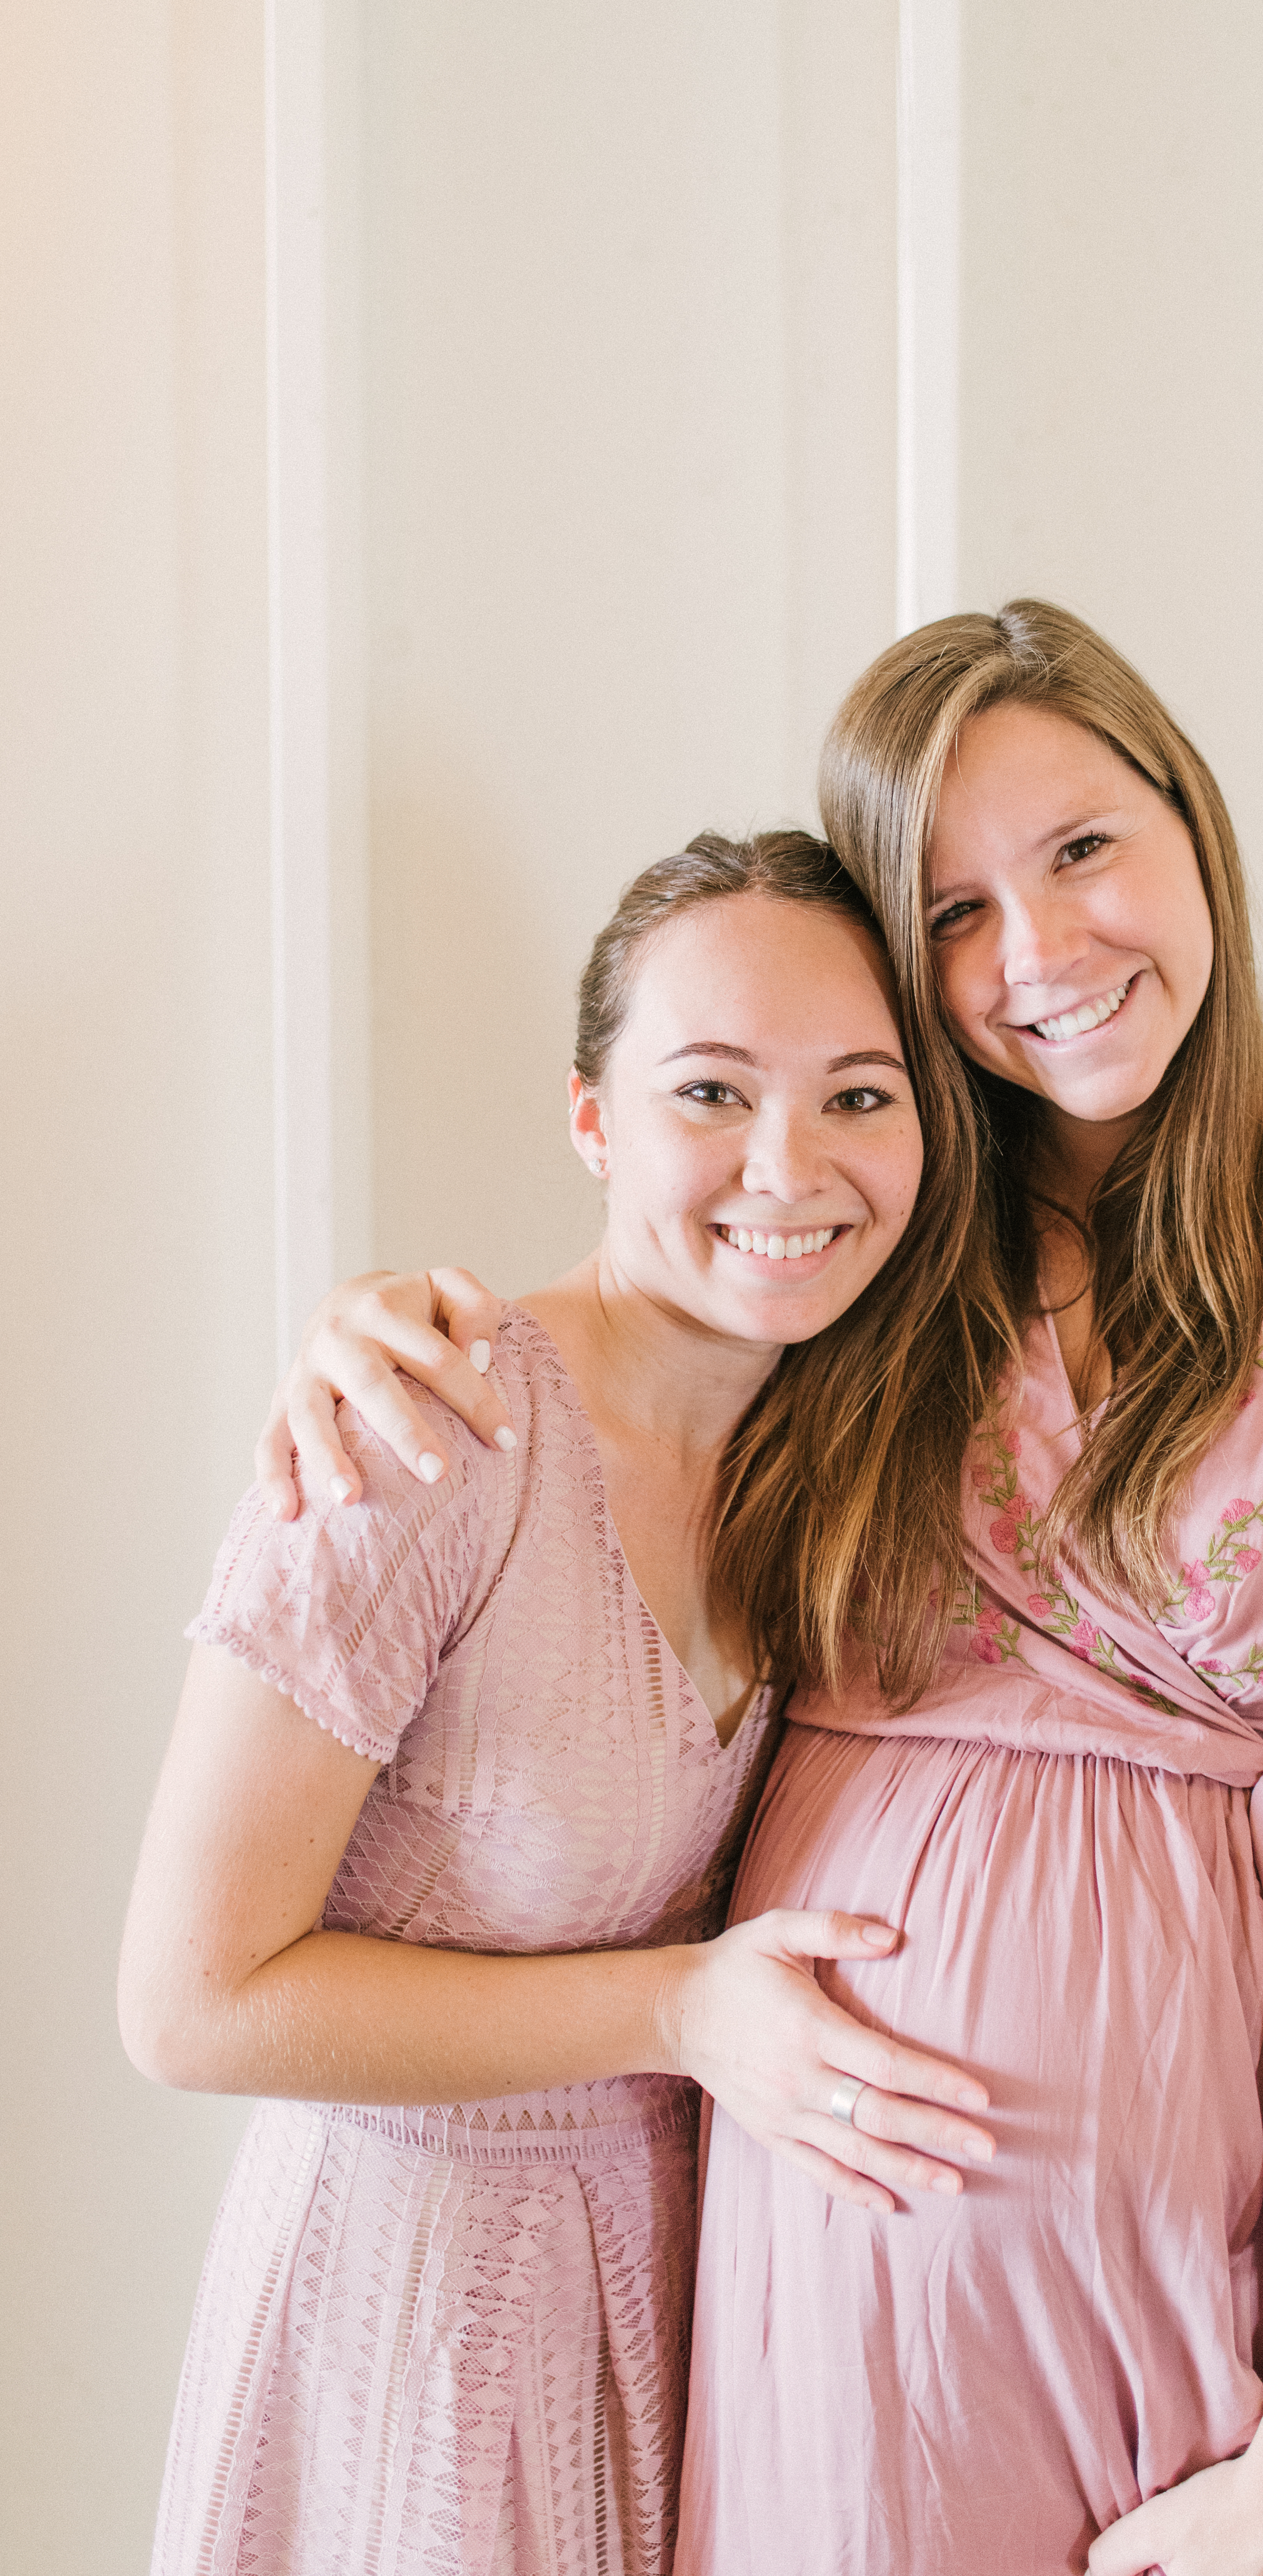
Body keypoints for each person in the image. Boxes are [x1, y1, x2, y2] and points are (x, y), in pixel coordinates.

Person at [274, 605, 1263, 2576]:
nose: (1039, 953)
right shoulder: (870, 1226)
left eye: (1084, 848)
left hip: (1253, 2281)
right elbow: (628, 1315)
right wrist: (378, 1326)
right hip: (846, 2277)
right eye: (949, 910)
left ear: (1188, 824)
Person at [119, 832, 1000, 2576]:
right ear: (592, 1119)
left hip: (704, 2320)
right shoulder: (420, 1427)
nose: (787, 1165)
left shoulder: (842, 1458)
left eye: (856, 1095)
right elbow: (191, 2004)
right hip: (409, 2336)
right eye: (709, 1091)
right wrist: (679, 2013)